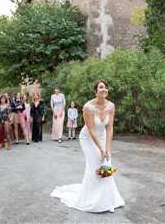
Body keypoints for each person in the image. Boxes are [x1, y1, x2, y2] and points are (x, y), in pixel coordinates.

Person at [51, 80, 125, 213]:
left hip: (102, 137)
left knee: (107, 162)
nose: (104, 89)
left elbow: (109, 128)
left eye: (105, 87)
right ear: (95, 91)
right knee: (95, 163)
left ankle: (107, 199)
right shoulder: (88, 107)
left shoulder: (111, 106)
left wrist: (107, 149)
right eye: (101, 87)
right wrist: (100, 149)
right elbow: (91, 130)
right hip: (88, 138)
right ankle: (90, 199)